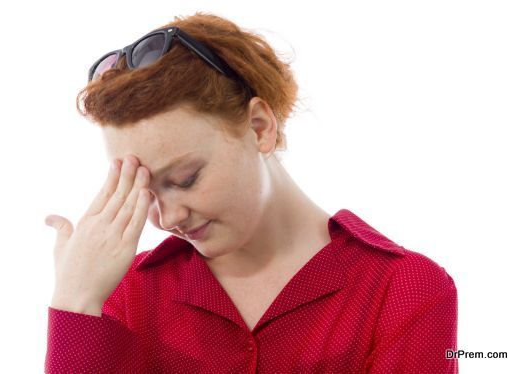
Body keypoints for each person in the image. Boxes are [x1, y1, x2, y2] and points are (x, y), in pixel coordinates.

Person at [44, 12, 458, 373]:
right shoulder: (125, 292)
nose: (168, 219)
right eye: (144, 192)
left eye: (186, 179)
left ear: (260, 127)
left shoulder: (405, 290)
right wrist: (75, 303)